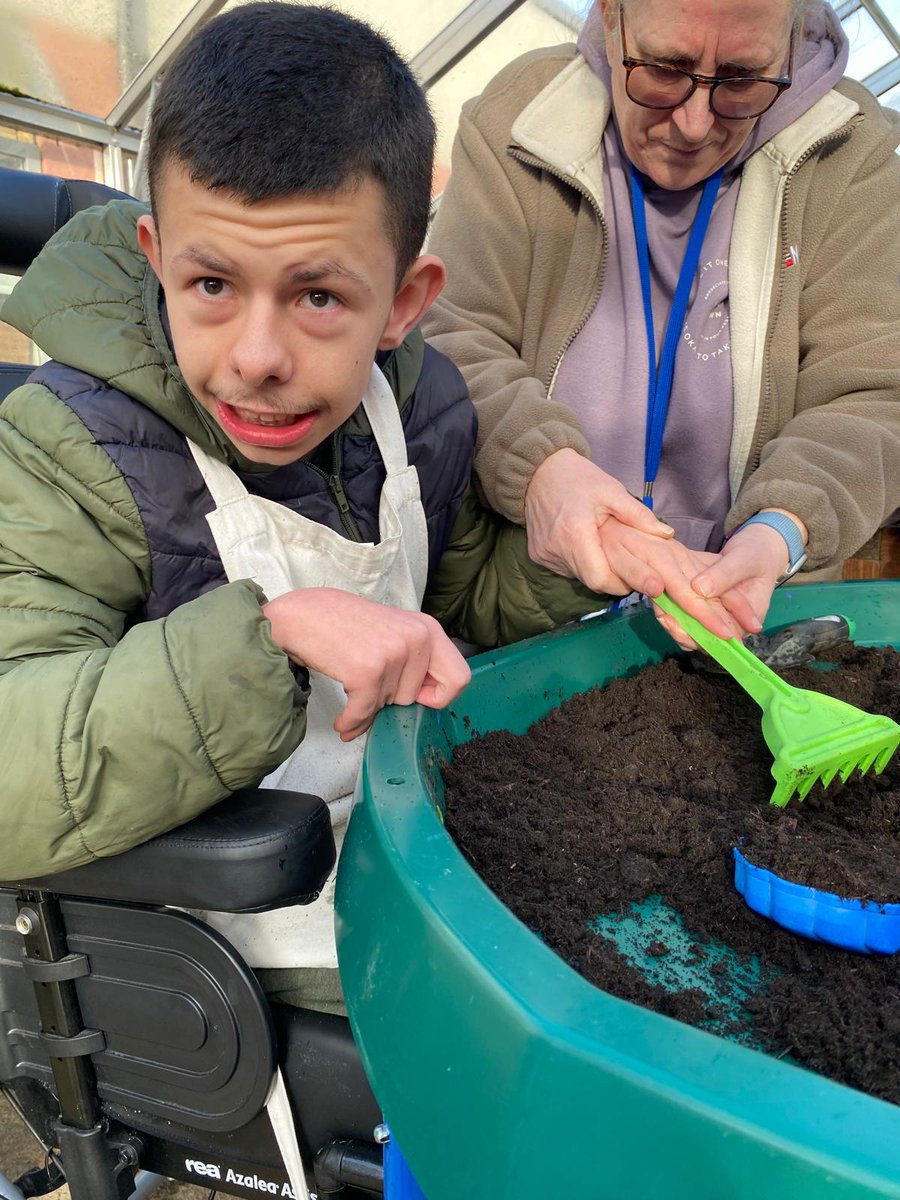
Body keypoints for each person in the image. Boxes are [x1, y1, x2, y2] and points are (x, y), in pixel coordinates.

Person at [0, 3, 603, 1009]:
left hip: (405, 854)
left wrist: (563, 564)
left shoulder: (419, 408)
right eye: (211, 283)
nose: (258, 357)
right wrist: (268, 639)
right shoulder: (69, 451)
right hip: (219, 945)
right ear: (156, 253)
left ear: (405, 301)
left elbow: (450, 607)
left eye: (319, 297)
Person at [424, 0, 900, 650]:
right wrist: (540, 468)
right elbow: (455, 335)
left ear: (790, 44)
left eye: (740, 80)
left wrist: (783, 528)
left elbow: (874, 391)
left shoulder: (850, 150)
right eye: (664, 69)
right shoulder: (521, 119)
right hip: (535, 612)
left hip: (754, 620)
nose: (695, 122)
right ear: (611, 15)